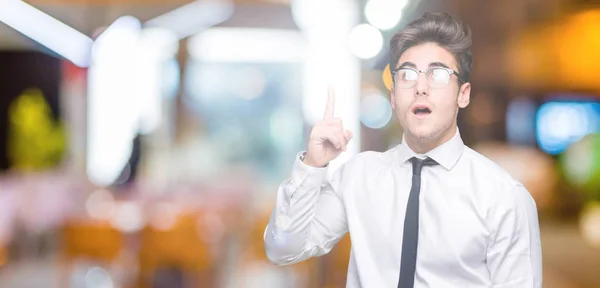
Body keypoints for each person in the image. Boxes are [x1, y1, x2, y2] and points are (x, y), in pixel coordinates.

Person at [264, 12, 542, 288]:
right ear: (394, 96)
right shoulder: (359, 176)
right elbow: (283, 249)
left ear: (463, 94)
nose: (421, 87)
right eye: (407, 74)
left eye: (438, 74)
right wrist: (313, 165)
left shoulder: (503, 197)